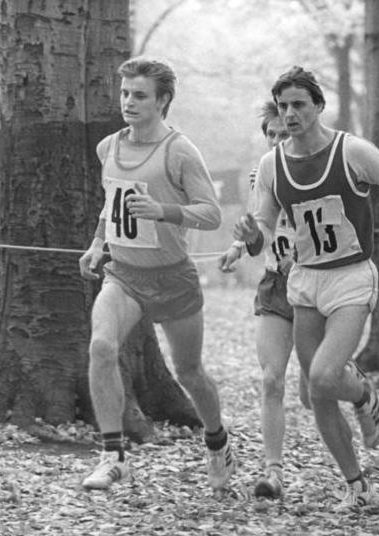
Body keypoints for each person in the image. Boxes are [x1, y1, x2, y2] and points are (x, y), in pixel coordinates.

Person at [234, 66, 379, 509]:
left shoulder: (351, 151)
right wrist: (249, 236)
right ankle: (358, 487)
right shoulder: (271, 165)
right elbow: (262, 228)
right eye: (283, 106)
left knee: (322, 376)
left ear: (319, 106)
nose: (290, 114)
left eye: (299, 104)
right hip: (305, 281)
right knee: (316, 393)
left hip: (351, 278)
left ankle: (362, 392)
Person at [78, 57, 232, 493]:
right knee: (102, 347)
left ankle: (217, 440)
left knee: (189, 372)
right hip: (124, 275)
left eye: (139, 95)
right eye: (125, 93)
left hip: (173, 277)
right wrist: (97, 244)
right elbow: (112, 205)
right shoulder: (109, 147)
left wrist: (163, 211)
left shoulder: (179, 150)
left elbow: (211, 214)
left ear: (162, 100)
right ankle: (113, 457)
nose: (128, 102)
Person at [216, 101, 311, 498]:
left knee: (315, 390)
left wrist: (303, 254)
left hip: (319, 285)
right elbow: (259, 237)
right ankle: (273, 471)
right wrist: (242, 242)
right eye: (270, 135)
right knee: (271, 379)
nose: (276, 141)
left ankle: (360, 394)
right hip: (276, 285)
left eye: (283, 134)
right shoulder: (262, 175)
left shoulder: (320, 172)